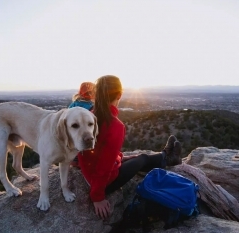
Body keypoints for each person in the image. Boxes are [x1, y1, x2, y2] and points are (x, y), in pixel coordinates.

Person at [78, 75, 182, 219]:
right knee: (142, 159)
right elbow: (104, 166)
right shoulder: (115, 125)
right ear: (120, 94)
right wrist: (97, 197)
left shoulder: (88, 116)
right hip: (102, 182)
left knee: (133, 158)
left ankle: (167, 157)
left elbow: (90, 152)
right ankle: (168, 157)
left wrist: (120, 158)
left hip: (88, 172)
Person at [69, 82, 95, 167]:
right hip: (86, 130)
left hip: (74, 130)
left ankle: (74, 160)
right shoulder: (91, 105)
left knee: (75, 145)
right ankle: (81, 161)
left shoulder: (74, 103)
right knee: (86, 145)